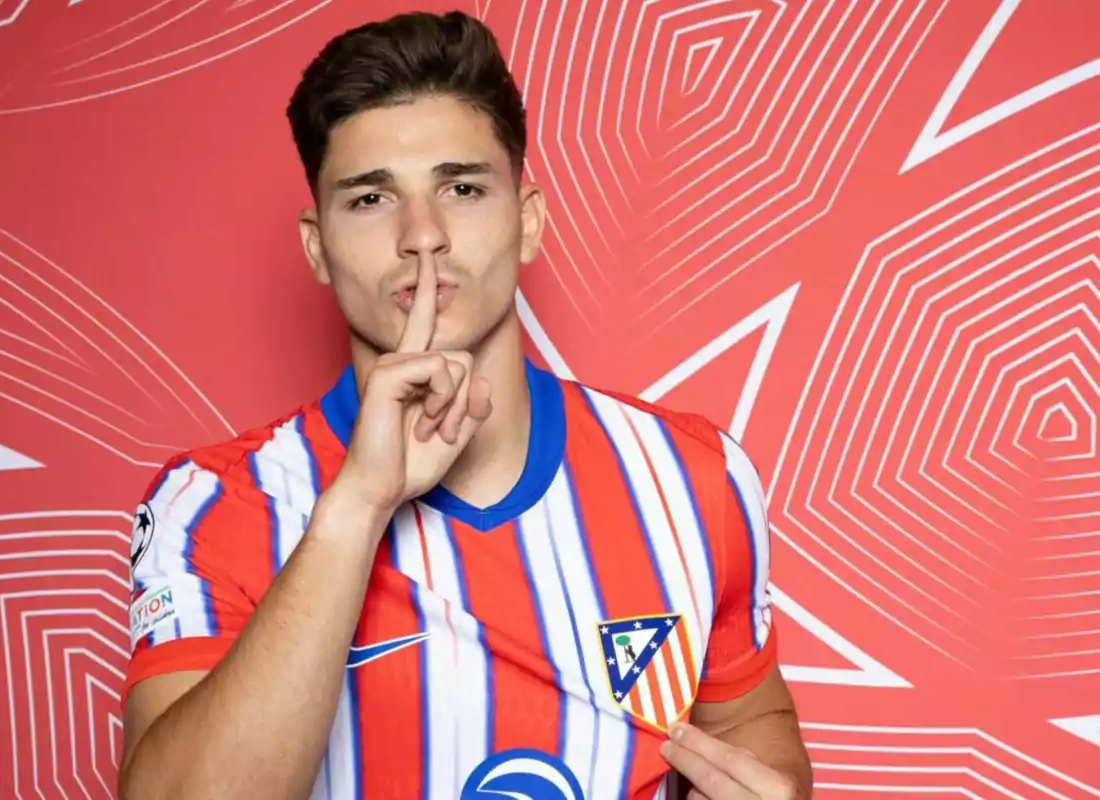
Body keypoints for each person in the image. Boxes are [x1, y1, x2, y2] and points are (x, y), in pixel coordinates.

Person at [116, 10, 813, 800]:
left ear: (528, 221)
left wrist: (773, 785)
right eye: (372, 199)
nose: (424, 235)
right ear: (317, 246)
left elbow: (750, 721)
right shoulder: (212, 505)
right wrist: (359, 505)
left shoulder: (692, 477)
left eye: (463, 187)